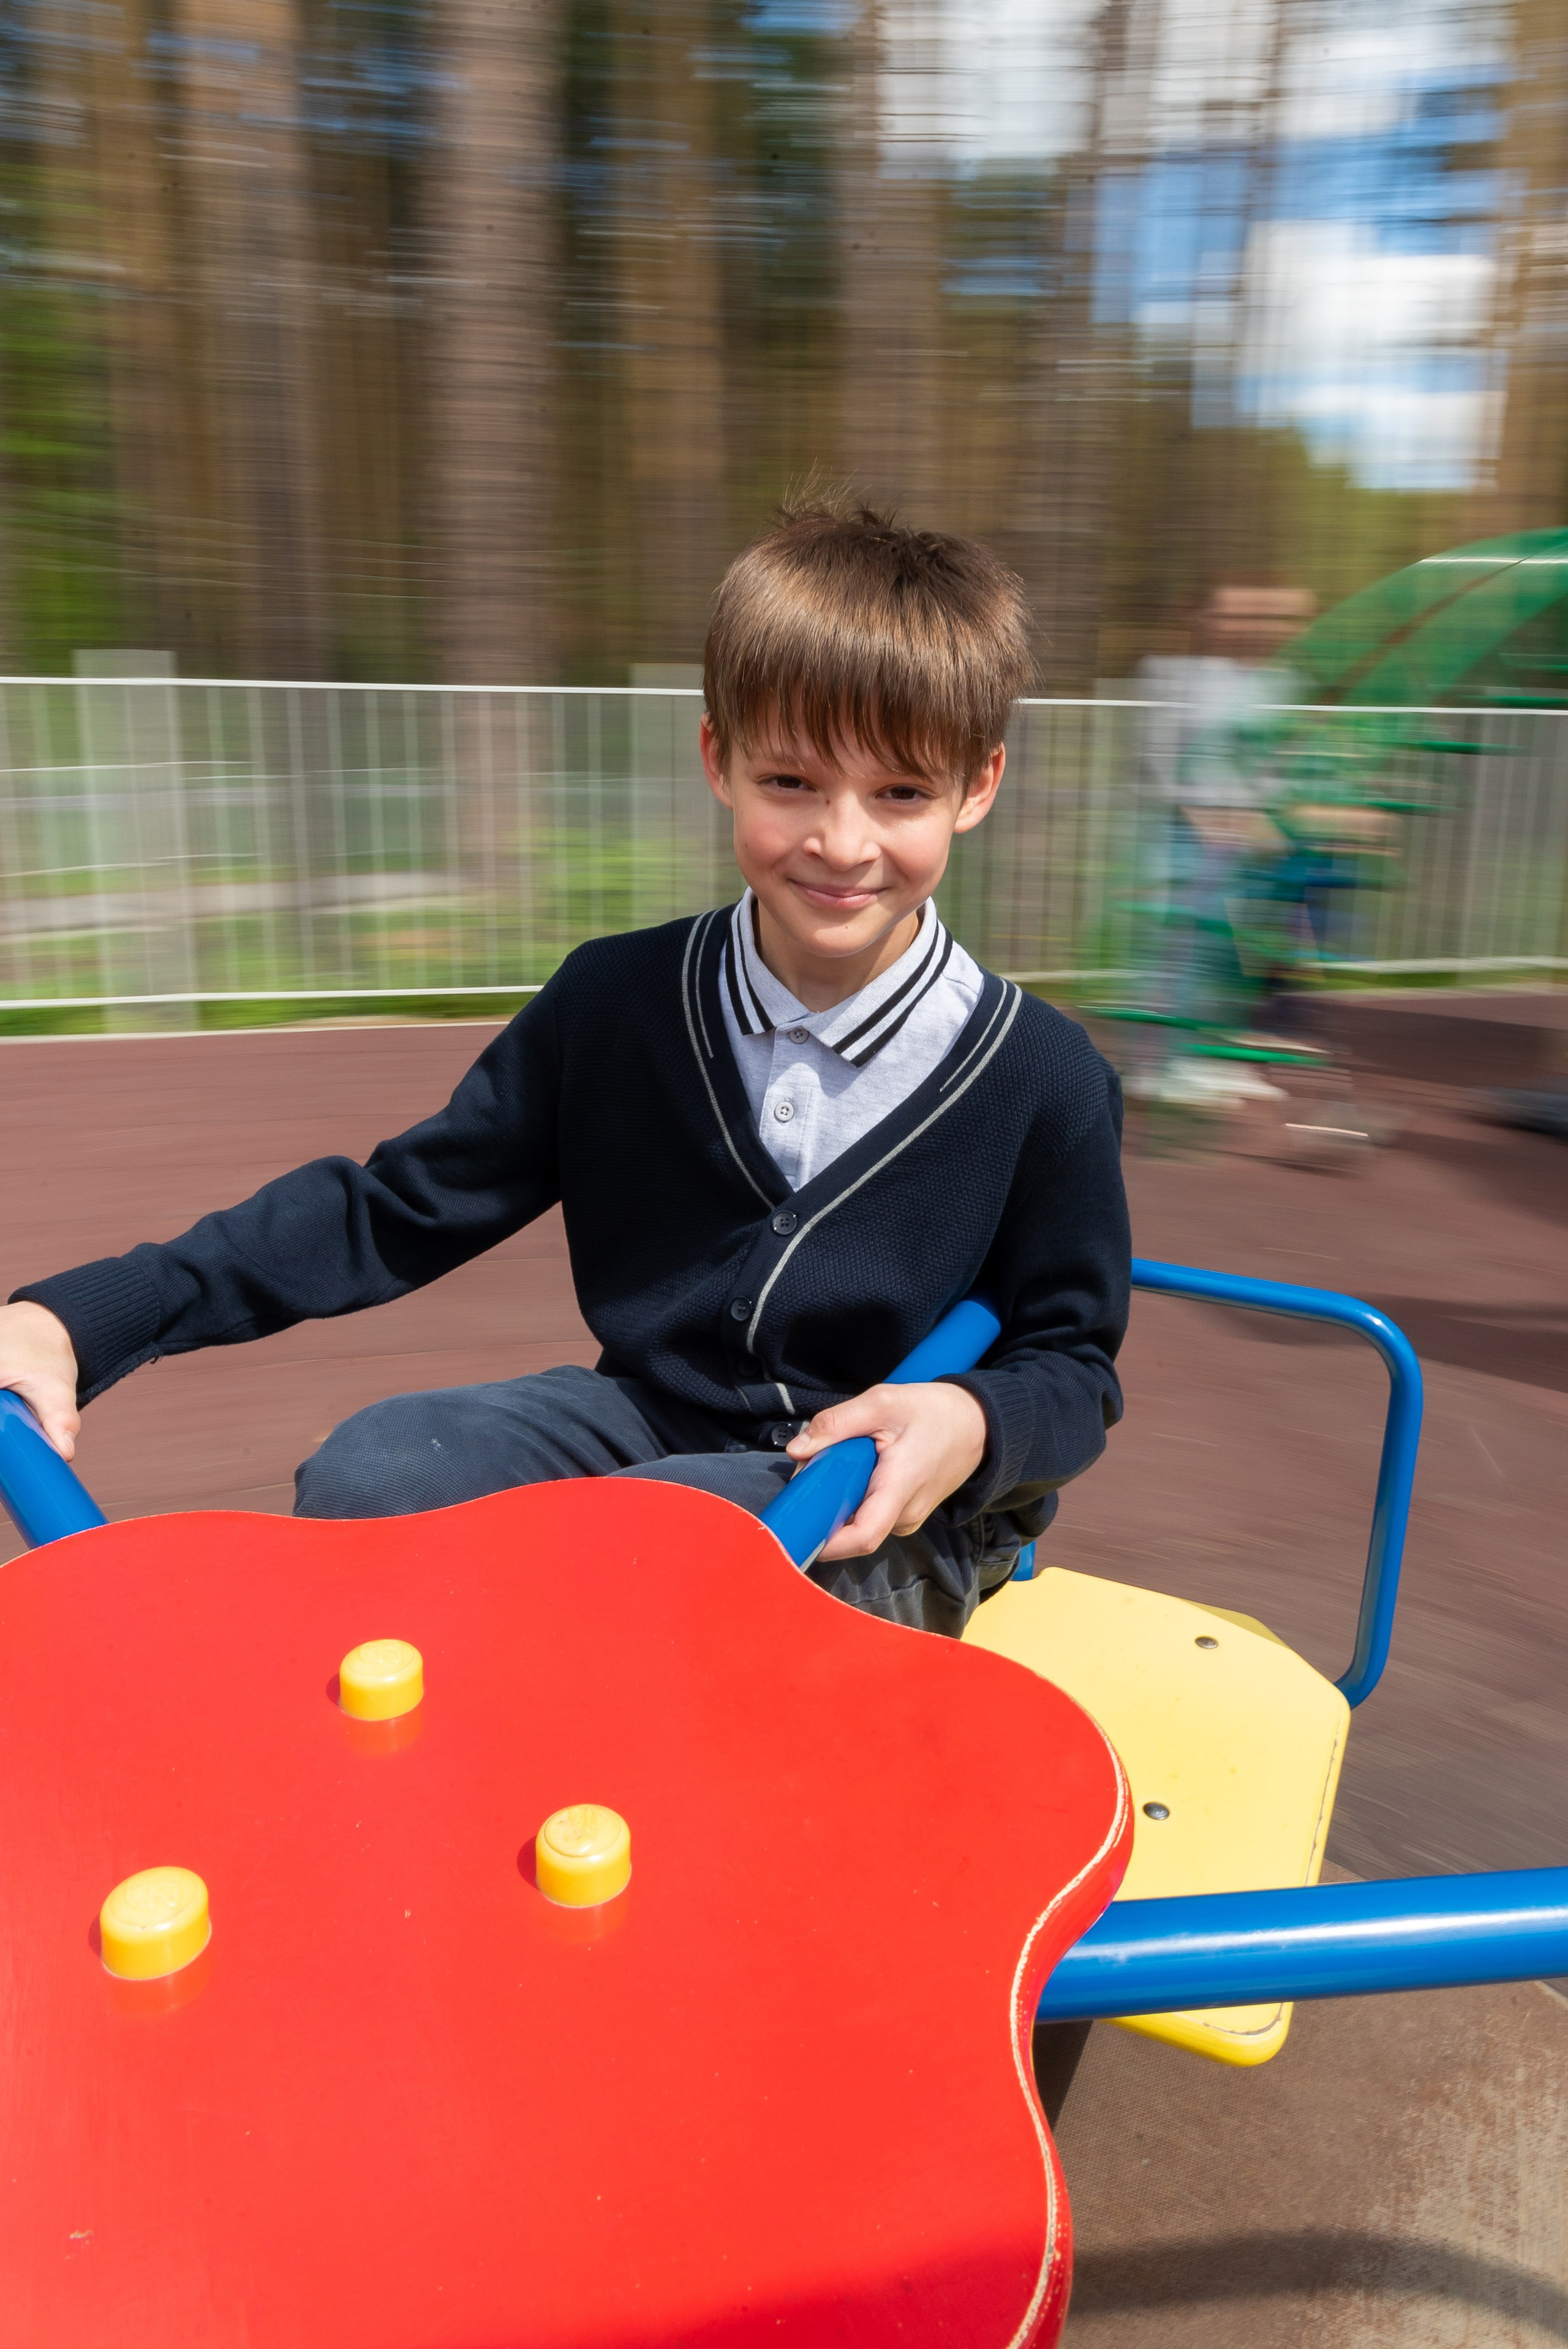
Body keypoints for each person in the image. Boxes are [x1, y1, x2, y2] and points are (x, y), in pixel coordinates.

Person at [0, 501, 1130, 1639]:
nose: (842, 842)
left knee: (634, 1567)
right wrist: (82, 1318)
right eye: (792, 781)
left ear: (976, 788)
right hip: (650, 1420)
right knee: (375, 1473)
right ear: (718, 759)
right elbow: (393, 1208)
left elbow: (1074, 1363)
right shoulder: (618, 1002)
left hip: (881, 1502)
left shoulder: (1040, 1076)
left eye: (899, 793)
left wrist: (971, 1421)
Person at [1133, 580, 1316, 1100]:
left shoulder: (1279, 683)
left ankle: (1212, 1055)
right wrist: (1201, 814)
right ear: (1205, 618)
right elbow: (1160, 754)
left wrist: (1273, 818)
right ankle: (1157, 1065)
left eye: (1266, 618)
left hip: (1248, 840)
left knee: (1231, 955)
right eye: (1233, 614)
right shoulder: (1170, 674)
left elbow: (1275, 762)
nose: (1253, 627)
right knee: (1179, 948)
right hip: (1185, 834)